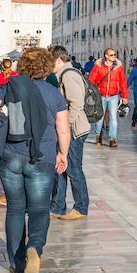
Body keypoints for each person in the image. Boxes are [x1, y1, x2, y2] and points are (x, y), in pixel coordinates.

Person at [0, 48, 69, 273]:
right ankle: (35, 247)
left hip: (11, 155)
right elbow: (62, 128)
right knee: (40, 208)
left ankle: (16, 263)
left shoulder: (8, 87)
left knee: (15, 208)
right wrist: (63, 153)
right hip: (42, 157)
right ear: (46, 68)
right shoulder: (54, 94)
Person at [50, 46, 90, 221]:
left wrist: (66, 125)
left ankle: (81, 207)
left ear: (58, 60)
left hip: (74, 130)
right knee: (61, 167)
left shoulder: (69, 75)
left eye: (50, 61)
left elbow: (76, 103)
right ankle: (58, 205)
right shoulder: (63, 74)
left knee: (74, 169)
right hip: (68, 129)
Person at [89, 48, 128, 147]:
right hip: (100, 96)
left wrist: (125, 96)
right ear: (106, 56)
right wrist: (92, 93)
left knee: (113, 118)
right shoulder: (98, 67)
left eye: (115, 54)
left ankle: (112, 139)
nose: (114, 56)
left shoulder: (118, 68)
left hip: (113, 96)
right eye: (111, 55)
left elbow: (123, 82)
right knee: (100, 117)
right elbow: (91, 81)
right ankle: (98, 136)